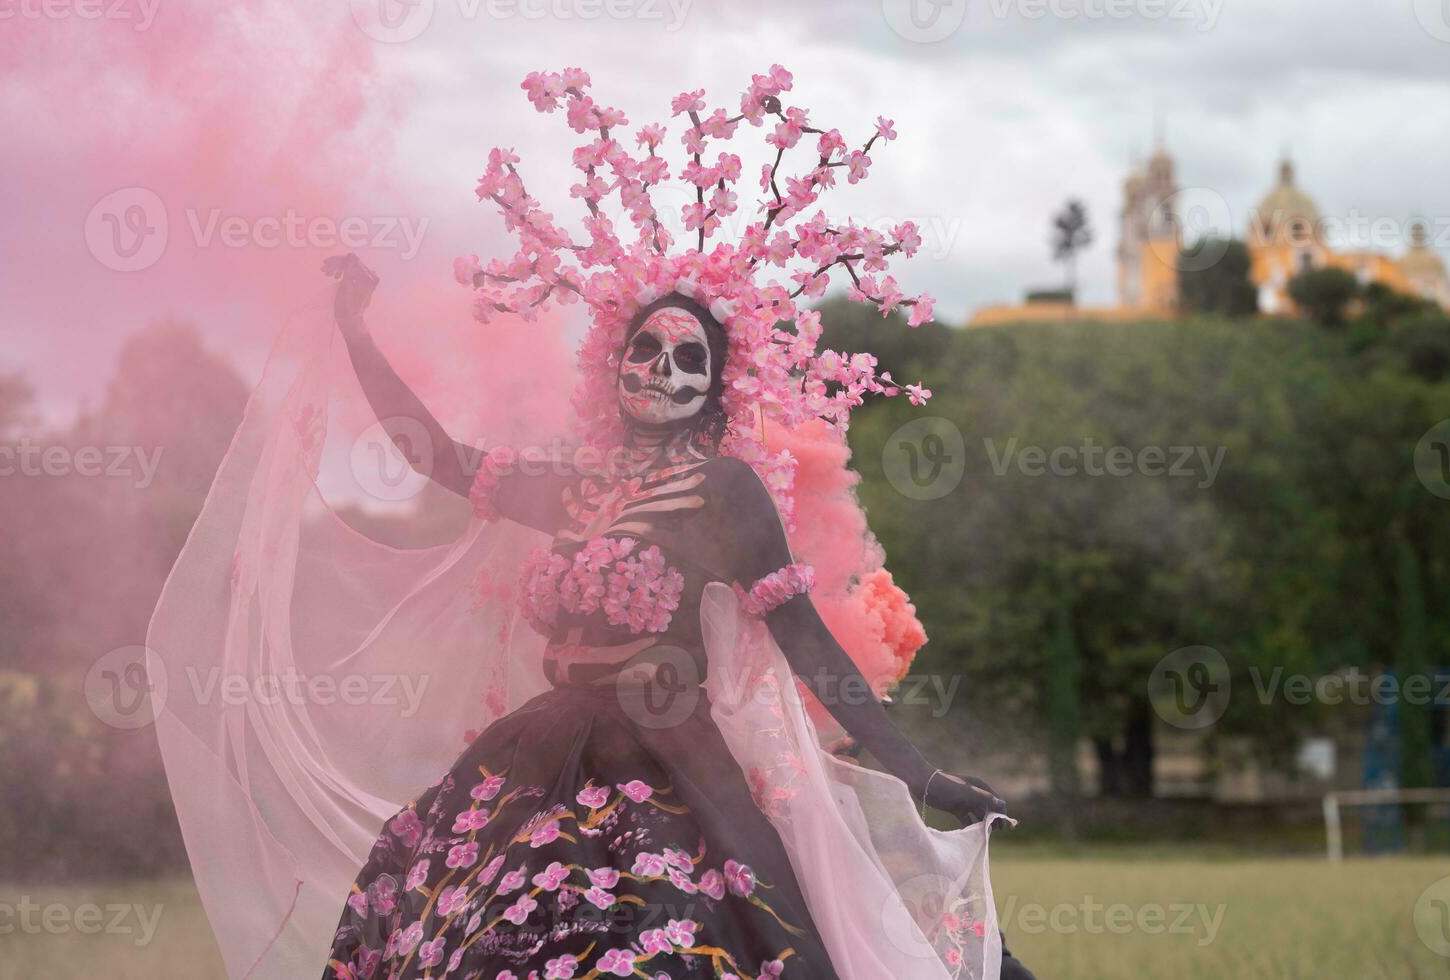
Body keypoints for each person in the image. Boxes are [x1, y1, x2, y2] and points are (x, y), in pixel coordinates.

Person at [149, 65, 1026, 980]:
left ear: (716, 385)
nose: (662, 368)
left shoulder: (724, 489)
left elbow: (804, 642)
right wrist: (355, 333)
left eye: (689, 356)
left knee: (653, 949)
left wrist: (914, 771)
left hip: (670, 765)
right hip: (543, 755)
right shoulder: (576, 489)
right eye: (645, 349)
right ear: (613, 363)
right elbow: (435, 458)